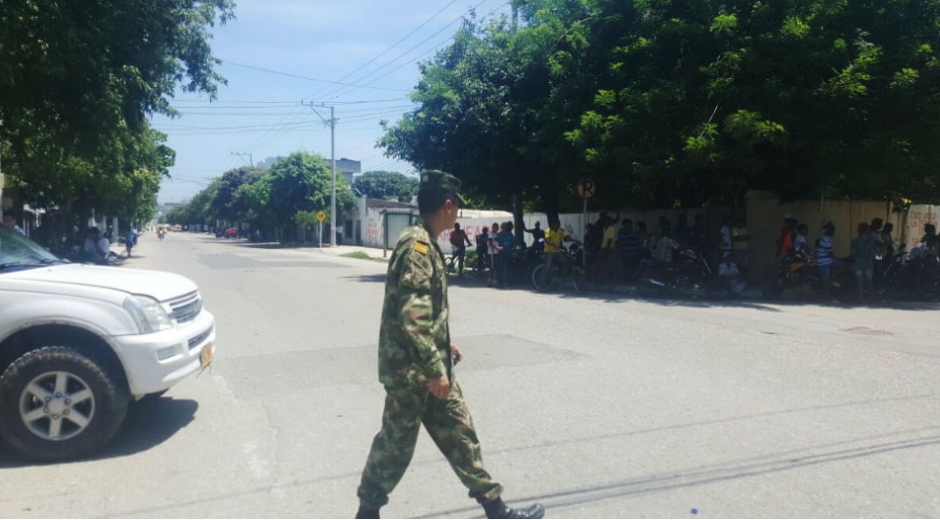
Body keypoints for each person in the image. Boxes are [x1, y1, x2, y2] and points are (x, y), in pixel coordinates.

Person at [355, 171, 544, 520]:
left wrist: (444, 343)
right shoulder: (417, 248)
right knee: (396, 445)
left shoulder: (423, 241)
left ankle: (495, 507)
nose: (458, 211)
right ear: (447, 205)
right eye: (456, 206)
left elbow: (423, 312)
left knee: (460, 433)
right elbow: (413, 316)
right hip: (414, 372)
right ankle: (367, 513)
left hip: (429, 364)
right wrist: (433, 368)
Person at [539, 218, 580, 286]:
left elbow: (566, 238)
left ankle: (559, 277)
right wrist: (554, 245)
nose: (556, 225)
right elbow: (547, 240)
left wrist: (575, 241)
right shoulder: (548, 231)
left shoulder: (560, 231)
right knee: (547, 266)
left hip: (556, 251)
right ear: (552, 225)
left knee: (565, 263)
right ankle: (542, 282)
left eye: (557, 224)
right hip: (548, 251)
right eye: (554, 224)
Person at [850, 222, 877, 300]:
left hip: (858, 263)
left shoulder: (855, 241)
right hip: (868, 263)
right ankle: (870, 297)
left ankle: (861, 297)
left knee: (860, 281)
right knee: (869, 281)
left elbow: (853, 254)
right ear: (867, 230)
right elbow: (875, 252)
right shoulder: (871, 241)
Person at [815, 221, 839, 299]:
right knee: (843, 264)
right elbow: (829, 253)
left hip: (823, 260)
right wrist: (835, 257)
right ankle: (827, 294)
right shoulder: (827, 240)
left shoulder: (824, 238)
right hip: (824, 261)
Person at [496, 222, 515, 286]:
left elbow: (513, 242)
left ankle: (509, 281)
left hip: (508, 253)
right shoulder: (499, 234)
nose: (504, 228)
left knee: (509, 267)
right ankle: (500, 281)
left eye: (505, 226)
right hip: (501, 253)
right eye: (503, 226)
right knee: (500, 267)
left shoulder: (510, 234)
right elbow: (496, 242)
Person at [487, 222, 500, 287]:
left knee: (496, 267)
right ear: (493, 227)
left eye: (497, 227)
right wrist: (497, 248)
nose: (497, 228)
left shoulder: (497, 234)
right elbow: (490, 244)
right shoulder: (491, 235)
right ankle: (490, 280)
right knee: (491, 267)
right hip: (492, 253)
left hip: (496, 253)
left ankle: (495, 280)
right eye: (496, 227)